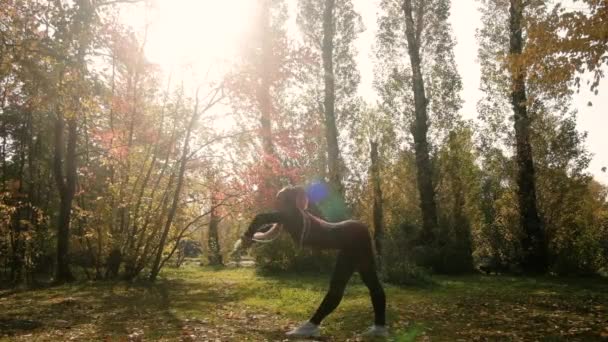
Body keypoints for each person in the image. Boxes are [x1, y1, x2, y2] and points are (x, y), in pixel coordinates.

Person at [234, 185, 387, 338]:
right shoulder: (291, 216)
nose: (276, 202)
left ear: (287, 200)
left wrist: (247, 236)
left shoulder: (292, 214)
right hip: (350, 239)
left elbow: (261, 218)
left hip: (355, 233)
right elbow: (268, 234)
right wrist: (249, 239)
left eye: (278, 199)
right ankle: (378, 327)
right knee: (344, 286)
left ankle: (314, 326)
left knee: (363, 282)